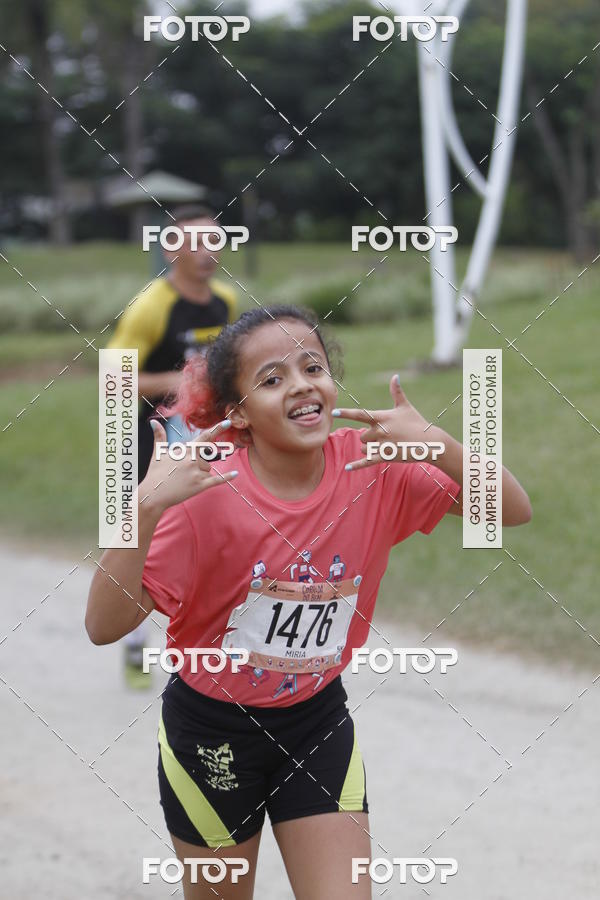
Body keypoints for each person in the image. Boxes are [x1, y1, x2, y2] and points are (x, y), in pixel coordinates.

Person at [86, 305, 531, 899]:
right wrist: (144, 507)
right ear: (237, 413)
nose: (300, 384)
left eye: (312, 367)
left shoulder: (373, 467)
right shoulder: (203, 495)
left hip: (316, 723)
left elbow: (511, 509)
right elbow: (103, 624)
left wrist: (434, 442)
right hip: (213, 735)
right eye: (272, 378)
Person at [105, 203, 238, 687]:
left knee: (211, 533)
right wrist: (183, 379)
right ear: (170, 250)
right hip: (147, 437)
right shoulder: (151, 306)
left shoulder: (225, 302)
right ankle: (134, 645)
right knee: (139, 538)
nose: (208, 253)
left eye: (215, 241)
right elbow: (112, 378)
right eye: (195, 243)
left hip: (202, 438)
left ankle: (209, 643)